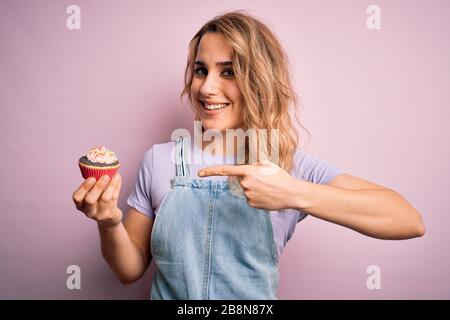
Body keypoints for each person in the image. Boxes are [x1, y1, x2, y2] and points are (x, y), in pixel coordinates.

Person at [72, 11, 425, 300]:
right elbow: (128, 270)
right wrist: (108, 222)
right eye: (200, 70)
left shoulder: (287, 166)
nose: (207, 87)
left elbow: (408, 220)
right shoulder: (159, 161)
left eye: (229, 71)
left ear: (259, 80)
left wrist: (293, 193)